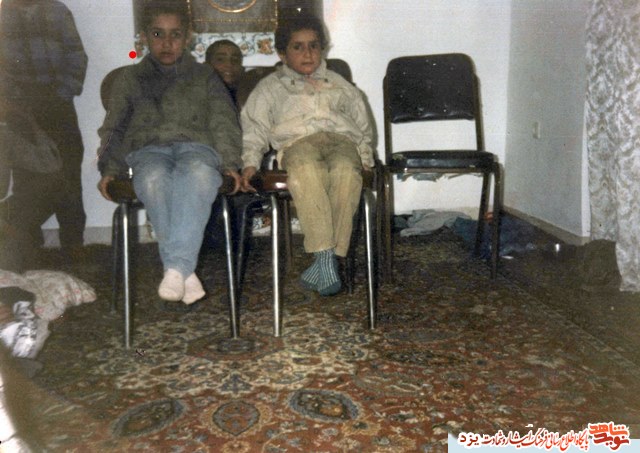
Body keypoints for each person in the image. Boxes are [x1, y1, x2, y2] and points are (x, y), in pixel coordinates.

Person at [97, 1, 242, 304]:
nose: (167, 43)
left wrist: (230, 163)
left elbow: (224, 122)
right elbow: (114, 127)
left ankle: (175, 269)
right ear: (144, 38)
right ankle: (183, 272)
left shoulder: (205, 75)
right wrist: (109, 168)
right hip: (148, 151)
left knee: (200, 174)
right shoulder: (130, 78)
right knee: (152, 180)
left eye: (175, 35)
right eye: (157, 34)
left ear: (187, 37)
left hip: (198, 148)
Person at [240, 15, 375, 296]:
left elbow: (362, 126)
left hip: (342, 142)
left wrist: (365, 158)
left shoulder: (339, 84)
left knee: (346, 173)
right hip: (298, 143)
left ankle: (325, 262)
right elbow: (255, 127)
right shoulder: (270, 87)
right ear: (282, 53)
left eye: (314, 46)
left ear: (322, 48)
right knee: (306, 170)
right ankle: (325, 257)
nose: (308, 53)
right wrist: (251, 163)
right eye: (298, 47)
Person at [0, 0, 88, 266]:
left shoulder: (57, 11)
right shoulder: (3, 15)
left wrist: (60, 95)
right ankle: (27, 243)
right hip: (21, 107)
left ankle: (73, 243)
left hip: (58, 102)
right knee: (29, 178)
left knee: (68, 175)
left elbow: (77, 57)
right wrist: (13, 104)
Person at [205, 39, 244, 106]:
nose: (229, 64)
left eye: (235, 60)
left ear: (242, 69)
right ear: (206, 66)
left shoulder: (249, 97)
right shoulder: (196, 96)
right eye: (220, 59)